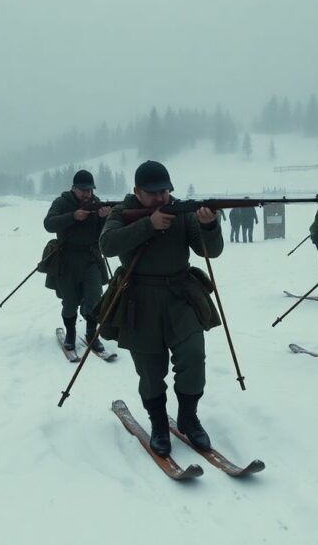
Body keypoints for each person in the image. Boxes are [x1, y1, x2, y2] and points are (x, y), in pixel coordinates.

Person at [99, 160, 223, 457]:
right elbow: (107, 245)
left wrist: (209, 226)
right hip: (138, 301)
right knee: (151, 372)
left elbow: (211, 251)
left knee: (194, 356)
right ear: (137, 192)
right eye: (153, 193)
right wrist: (148, 224)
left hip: (181, 297)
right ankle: (157, 424)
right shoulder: (121, 213)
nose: (160, 198)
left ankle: (189, 418)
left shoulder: (182, 213)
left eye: (165, 191)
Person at [43, 170, 112, 352]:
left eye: (89, 190)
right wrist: (72, 216)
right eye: (83, 190)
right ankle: (71, 332)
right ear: (73, 188)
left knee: (95, 299)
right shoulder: (61, 202)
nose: (87, 194)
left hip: (91, 258)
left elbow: (104, 234)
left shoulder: (97, 205)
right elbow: (48, 224)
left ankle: (91, 333)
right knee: (70, 302)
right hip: (67, 260)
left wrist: (105, 219)